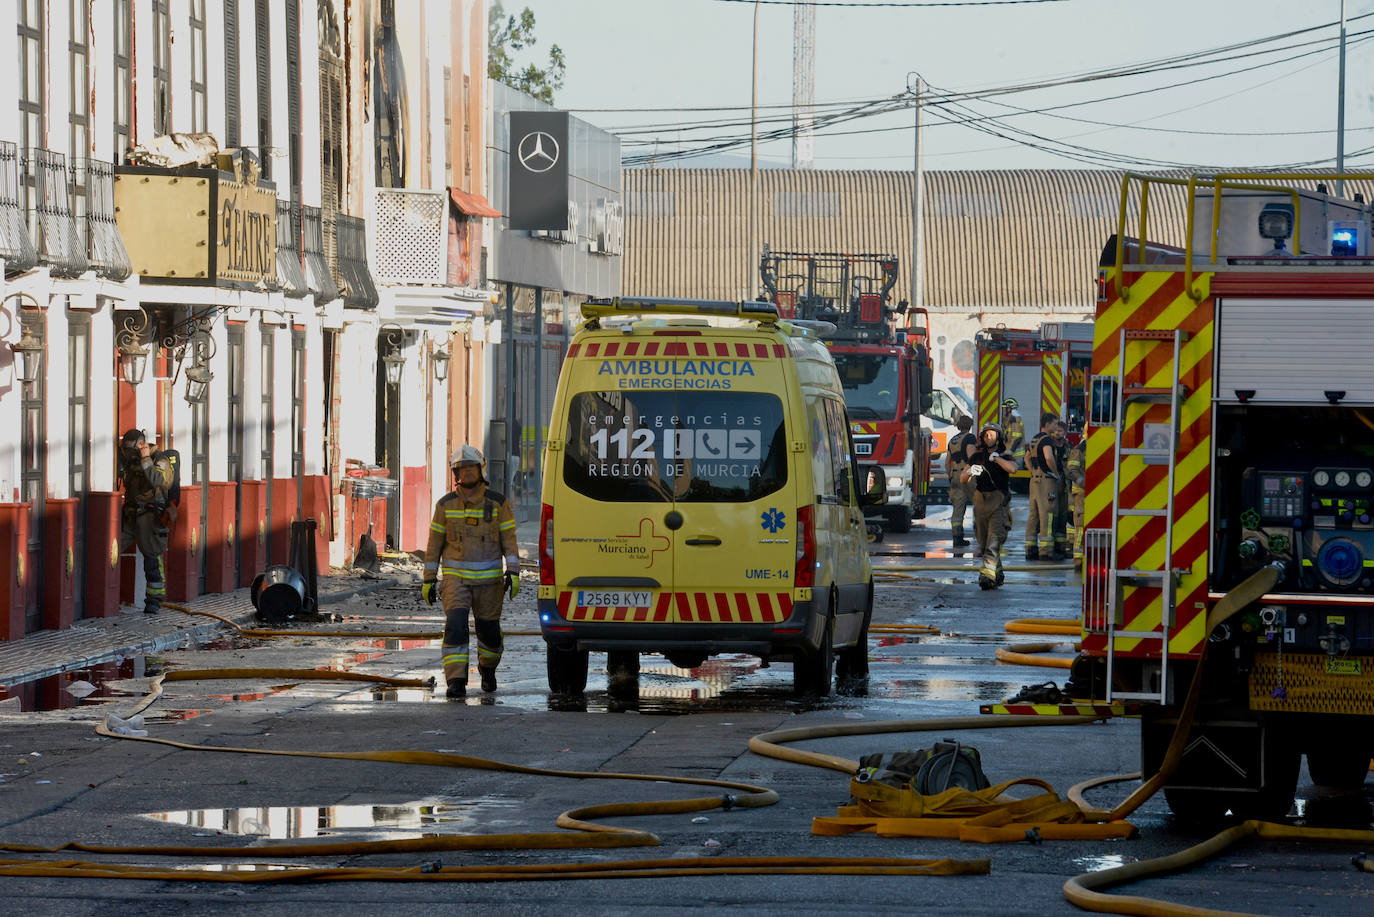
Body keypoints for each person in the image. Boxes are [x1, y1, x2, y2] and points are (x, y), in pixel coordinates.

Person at [422, 445, 520, 698]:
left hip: (489, 585)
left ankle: (487, 670)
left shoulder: (498, 503)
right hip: (456, 582)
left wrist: (514, 570)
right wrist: (429, 579)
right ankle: (456, 681)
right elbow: (434, 544)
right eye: (461, 469)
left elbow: (509, 539)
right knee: (455, 626)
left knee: (489, 633)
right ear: (456, 473)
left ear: (480, 469)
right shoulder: (445, 505)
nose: (466, 473)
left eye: (470, 468)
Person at [117, 429, 175, 614]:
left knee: (152, 556)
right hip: (130, 516)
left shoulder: (160, 460)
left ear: (142, 446)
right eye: (126, 451)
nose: (129, 454)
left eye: (131, 450)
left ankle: (154, 600)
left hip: (150, 518)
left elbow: (159, 481)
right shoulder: (130, 460)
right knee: (110, 549)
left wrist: (145, 459)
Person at [962, 422, 1017, 590]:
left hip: (998, 501)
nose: (988, 437)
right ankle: (997, 573)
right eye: (986, 435)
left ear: (998, 437)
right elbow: (962, 478)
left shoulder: (1005, 455)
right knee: (984, 542)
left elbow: (1013, 469)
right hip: (980, 501)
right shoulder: (977, 457)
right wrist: (970, 472)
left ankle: (986, 576)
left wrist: (997, 459)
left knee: (994, 539)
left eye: (992, 434)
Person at [1024, 412, 1062, 560]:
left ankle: (1031, 550)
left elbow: (1026, 458)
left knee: (1033, 515)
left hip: (1034, 481)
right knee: (1048, 515)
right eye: (1055, 423)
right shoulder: (1046, 440)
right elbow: (1048, 457)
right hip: (1047, 481)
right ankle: (1046, 552)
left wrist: (1033, 471)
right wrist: (1056, 473)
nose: (1056, 426)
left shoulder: (1035, 439)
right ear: (1047, 424)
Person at [946, 414, 977, 547]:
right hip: (967, 473)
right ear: (970, 425)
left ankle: (957, 538)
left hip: (955, 474)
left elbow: (947, 462)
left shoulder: (952, 440)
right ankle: (982, 533)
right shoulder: (970, 438)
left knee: (958, 509)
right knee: (980, 503)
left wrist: (950, 476)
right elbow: (972, 457)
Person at [1065, 435, 1087, 567]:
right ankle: (1078, 559)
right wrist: (1083, 483)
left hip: (1094, 493)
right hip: (1081, 493)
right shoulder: (1079, 449)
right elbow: (1072, 470)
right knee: (1080, 525)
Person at [1001, 398, 1026, 470]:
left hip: (1016, 457)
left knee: (1015, 479)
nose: (1004, 410)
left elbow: (1017, 437)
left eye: (1005, 408)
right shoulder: (1008, 420)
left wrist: (1010, 451)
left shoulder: (1015, 420)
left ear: (1009, 409)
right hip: (1010, 456)